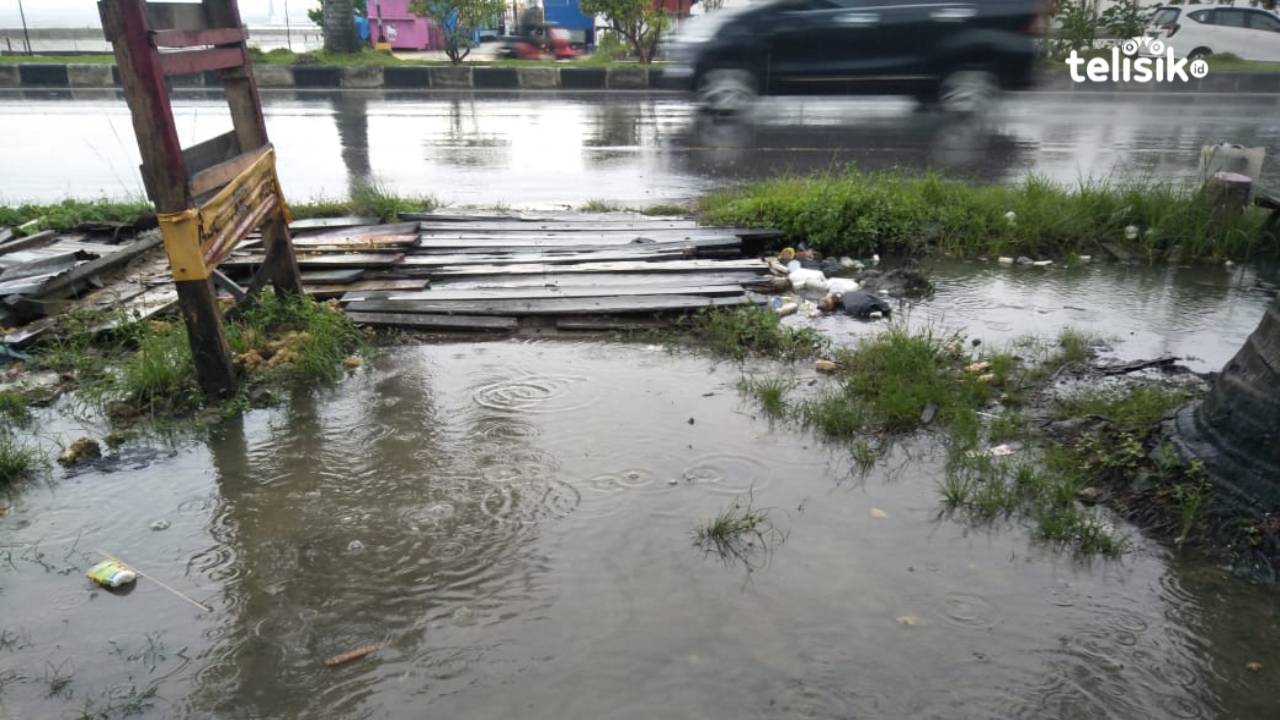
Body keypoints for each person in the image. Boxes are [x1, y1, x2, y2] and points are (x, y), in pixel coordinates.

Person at [818, 290, 891, 320]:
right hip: (881, 304)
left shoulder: (848, 307)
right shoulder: (847, 294)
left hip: (870, 309)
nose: (824, 299)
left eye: (825, 300)